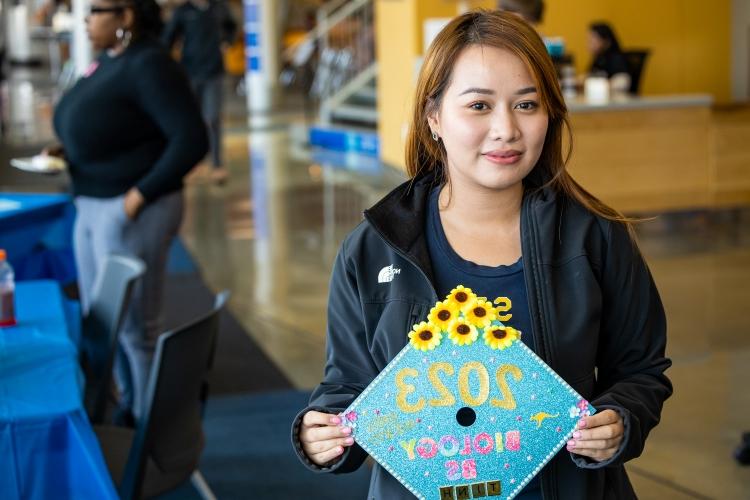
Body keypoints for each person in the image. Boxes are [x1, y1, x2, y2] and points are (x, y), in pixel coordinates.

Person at [291, 10, 672, 499]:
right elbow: (347, 386)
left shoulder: (595, 237)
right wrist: (322, 433)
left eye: (527, 104)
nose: (506, 129)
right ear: (434, 118)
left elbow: (641, 369)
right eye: (478, 106)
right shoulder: (373, 249)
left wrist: (620, 419)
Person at [48, 0, 208, 425]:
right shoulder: (108, 61)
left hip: (133, 207)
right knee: (102, 321)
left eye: (96, 10)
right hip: (91, 198)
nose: (85, 18)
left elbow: (191, 140)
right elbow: (117, 123)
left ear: (126, 17)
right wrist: (73, 147)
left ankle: (148, 421)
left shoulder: (150, 65)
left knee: (136, 326)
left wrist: (136, 199)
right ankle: (123, 403)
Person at [162, 0, 237, 184]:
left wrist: (227, 41)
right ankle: (194, 161)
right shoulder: (183, 12)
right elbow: (168, 39)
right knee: (191, 120)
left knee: (212, 118)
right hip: (190, 72)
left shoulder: (219, 8)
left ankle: (217, 164)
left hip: (214, 72)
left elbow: (232, 27)